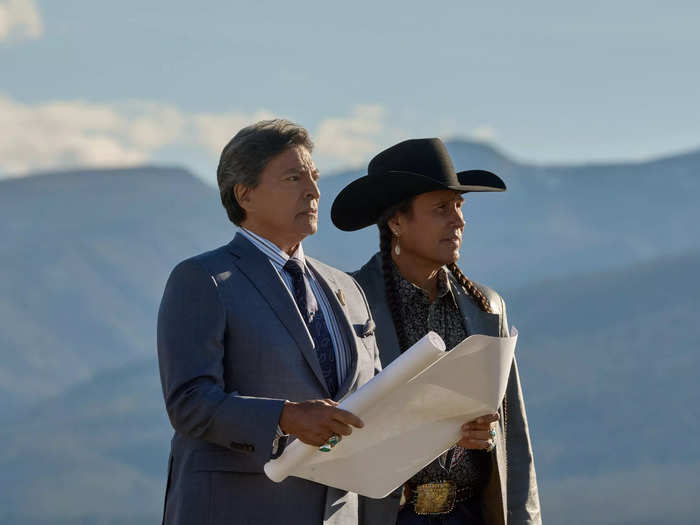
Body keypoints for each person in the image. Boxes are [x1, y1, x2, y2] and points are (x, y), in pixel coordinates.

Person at [157, 119, 382, 525]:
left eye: (314, 176)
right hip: (236, 509)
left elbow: (377, 397)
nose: (313, 191)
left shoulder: (346, 287)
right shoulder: (204, 279)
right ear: (245, 194)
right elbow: (189, 403)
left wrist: (446, 422)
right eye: (294, 178)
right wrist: (286, 416)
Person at [331, 138, 541, 525]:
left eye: (459, 207)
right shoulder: (348, 305)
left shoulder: (486, 307)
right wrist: (437, 432)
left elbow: (515, 439)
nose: (458, 221)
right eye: (441, 208)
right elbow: (339, 433)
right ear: (397, 221)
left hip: (472, 514)